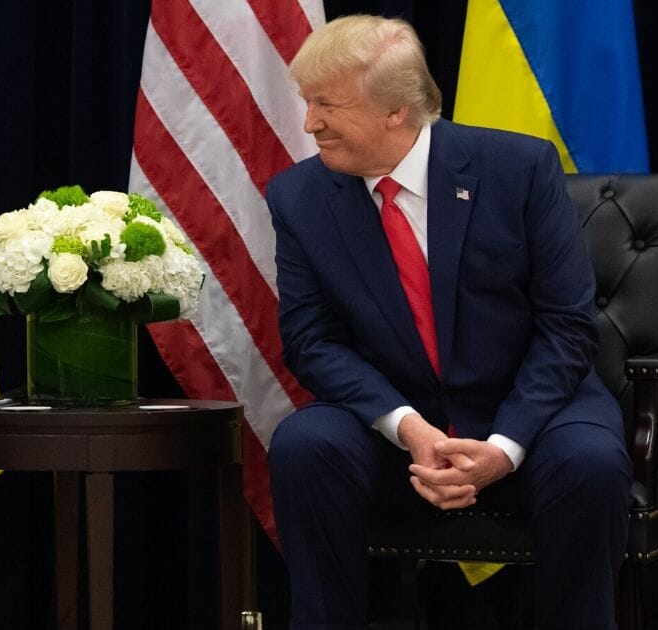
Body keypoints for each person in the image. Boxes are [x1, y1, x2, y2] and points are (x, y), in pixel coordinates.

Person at [266, 15, 631, 629]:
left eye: (327, 105)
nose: (310, 124)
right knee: (305, 448)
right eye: (308, 102)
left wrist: (505, 446)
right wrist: (408, 426)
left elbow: (567, 326)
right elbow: (310, 340)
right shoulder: (299, 197)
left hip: (529, 413)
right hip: (396, 420)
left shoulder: (520, 169)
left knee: (590, 461)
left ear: (396, 112)